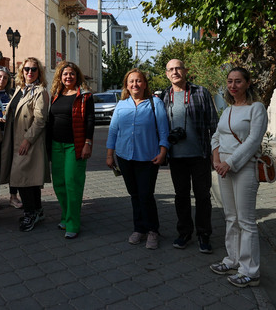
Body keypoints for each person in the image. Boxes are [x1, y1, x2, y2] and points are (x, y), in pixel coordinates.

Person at [210, 67, 268, 288]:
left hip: (244, 167)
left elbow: (253, 141)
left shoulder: (256, 108)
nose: (233, 86)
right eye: (230, 81)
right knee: (230, 217)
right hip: (223, 167)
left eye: (238, 81)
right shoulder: (228, 109)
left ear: (248, 83)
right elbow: (216, 136)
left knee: (246, 220)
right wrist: (216, 159)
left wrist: (230, 163)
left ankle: (250, 271)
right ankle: (232, 260)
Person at [106, 69, 169, 250]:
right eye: (131, 81)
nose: (135, 84)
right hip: (125, 157)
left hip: (148, 157)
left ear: (145, 84)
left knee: (146, 195)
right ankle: (139, 228)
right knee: (134, 194)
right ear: (126, 85)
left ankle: (153, 230)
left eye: (139, 81)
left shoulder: (155, 103)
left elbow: (164, 130)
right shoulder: (121, 105)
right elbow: (113, 131)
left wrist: (163, 151)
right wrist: (110, 154)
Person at [163, 59, 219, 253]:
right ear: (167, 74)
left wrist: (215, 153)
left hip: (200, 154)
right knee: (181, 196)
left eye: (178, 68)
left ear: (185, 71)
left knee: (203, 196)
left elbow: (213, 123)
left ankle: (204, 234)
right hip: (176, 157)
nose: (175, 72)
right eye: (171, 69)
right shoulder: (164, 95)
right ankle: (184, 232)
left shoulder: (200, 92)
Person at [1, 57, 50, 232]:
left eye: (33, 69)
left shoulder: (40, 91)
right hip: (14, 139)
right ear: (22, 71)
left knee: (23, 178)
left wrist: (27, 140)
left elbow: (40, 120)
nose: (30, 72)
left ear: (39, 72)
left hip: (28, 141)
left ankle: (30, 213)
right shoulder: (20, 90)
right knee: (30, 179)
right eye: (26, 69)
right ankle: (37, 210)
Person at [46, 61, 95, 239]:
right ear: (60, 76)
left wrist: (88, 143)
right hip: (56, 145)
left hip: (75, 146)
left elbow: (90, 120)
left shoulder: (85, 96)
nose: (68, 77)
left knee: (72, 184)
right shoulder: (55, 95)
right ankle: (66, 216)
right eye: (65, 74)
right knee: (59, 184)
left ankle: (73, 223)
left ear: (77, 76)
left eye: (72, 74)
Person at [0, 66, 22, 210]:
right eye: (0, 77)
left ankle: (13, 196)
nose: (2, 80)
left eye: (5, 77)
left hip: (11, 134)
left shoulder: (12, 94)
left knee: (13, 165)